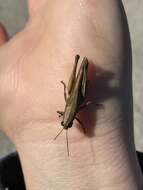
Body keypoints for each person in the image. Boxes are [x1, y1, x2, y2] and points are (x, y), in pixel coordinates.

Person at [0, 0, 143, 189]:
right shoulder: (71, 114)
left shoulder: (73, 115)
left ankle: (83, 65)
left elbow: (77, 110)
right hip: (74, 98)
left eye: (65, 122)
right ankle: (81, 65)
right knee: (75, 94)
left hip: (75, 96)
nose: (66, 123)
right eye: (66, 122)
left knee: (74, 93)